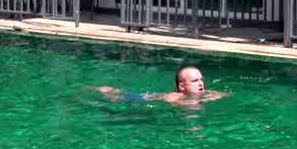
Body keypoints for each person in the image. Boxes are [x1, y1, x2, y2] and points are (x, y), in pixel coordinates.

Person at [96, 66, 228, 106]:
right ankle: (109, 91)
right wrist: (199, 101)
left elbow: (224, 95)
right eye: (194, 81)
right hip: (141, 98)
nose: (200, 83)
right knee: (120, 97)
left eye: (201, 80)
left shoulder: (204, 93)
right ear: (181, 86)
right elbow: (184, 105)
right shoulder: (174, 97)